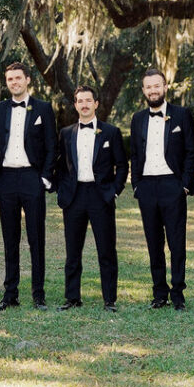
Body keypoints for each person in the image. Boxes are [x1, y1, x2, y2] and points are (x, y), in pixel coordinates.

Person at [0, 62, 56, 311]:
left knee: (36, 238)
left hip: (32, 178)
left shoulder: (43, 109)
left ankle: (38, 294)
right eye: (10, 79)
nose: (14, 82)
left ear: (28, 80)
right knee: (10, 239)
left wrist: (45, 178)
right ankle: (10, 294)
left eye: (18, 78)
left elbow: (51, 146)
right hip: (6, 179)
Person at [54, 86, 128, 312]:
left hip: (101, 196)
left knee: (106, 250)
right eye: (80, 101)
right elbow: (59, 166)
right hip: (74, 198)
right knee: (72, 251)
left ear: (96, 103)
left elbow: (122, 165)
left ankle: (109, 300)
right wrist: (61, 190)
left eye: (88, 100)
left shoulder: (110, 132)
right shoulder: (66, 133)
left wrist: (114, 190)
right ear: (75, 105)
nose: (84, 105)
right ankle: (72, 298)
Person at [130, 68, 194, 311]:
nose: (153, 90)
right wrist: (136, 184)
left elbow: (191, 150)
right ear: (144, 90)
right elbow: (135, 154)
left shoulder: (181, 115)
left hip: (173, 186)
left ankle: (178, 294)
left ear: (165, 86)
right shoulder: (138, 118)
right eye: (148, 87)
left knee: (177, 242)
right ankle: (159, 293)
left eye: (157, 85)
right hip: (147, 187)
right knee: (154, 243)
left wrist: (186, 185)